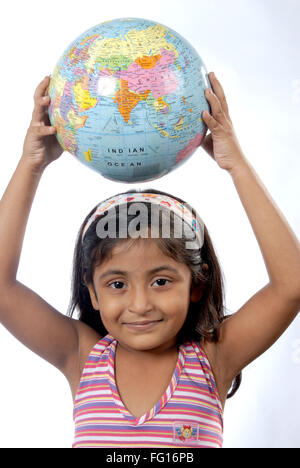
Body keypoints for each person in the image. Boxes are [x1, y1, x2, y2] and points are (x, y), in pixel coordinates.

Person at [0, 73, 299, 449]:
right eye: (117, 284)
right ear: (92, 292)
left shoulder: (214, 359)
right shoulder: (83, 356)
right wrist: (31, 166)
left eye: (161, 281)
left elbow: (292, 285)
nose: (140, 305)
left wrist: (235, 163)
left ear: (197, 284)